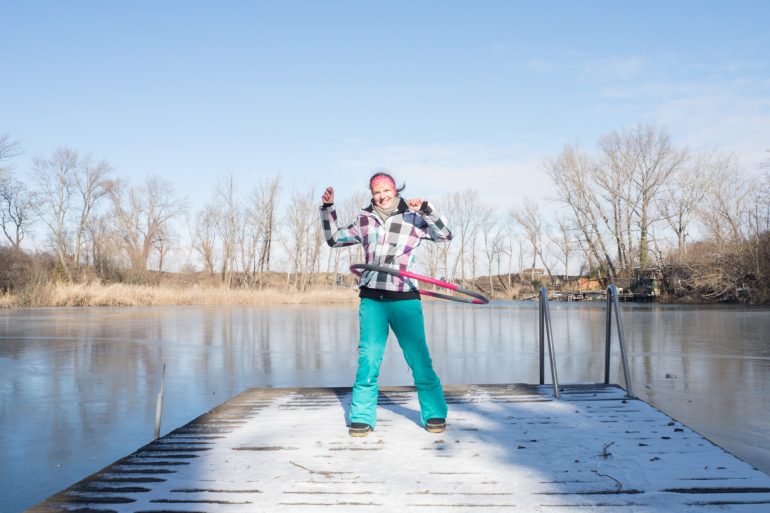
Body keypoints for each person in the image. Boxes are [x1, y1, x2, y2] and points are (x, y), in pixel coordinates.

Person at [320, 171, 453, 437]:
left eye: (385, 191)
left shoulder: (414, 217)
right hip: (372, 298)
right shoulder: (364, 219)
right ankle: (361, 417)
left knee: (419, 359)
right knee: (368, 359)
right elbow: (334, 239)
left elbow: (445, 236)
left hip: (404, 297)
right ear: (372, 194)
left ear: (395, 190)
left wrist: (427, 209)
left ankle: (435, 413)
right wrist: (327, 208)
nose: (381, 196)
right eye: (376, 192)